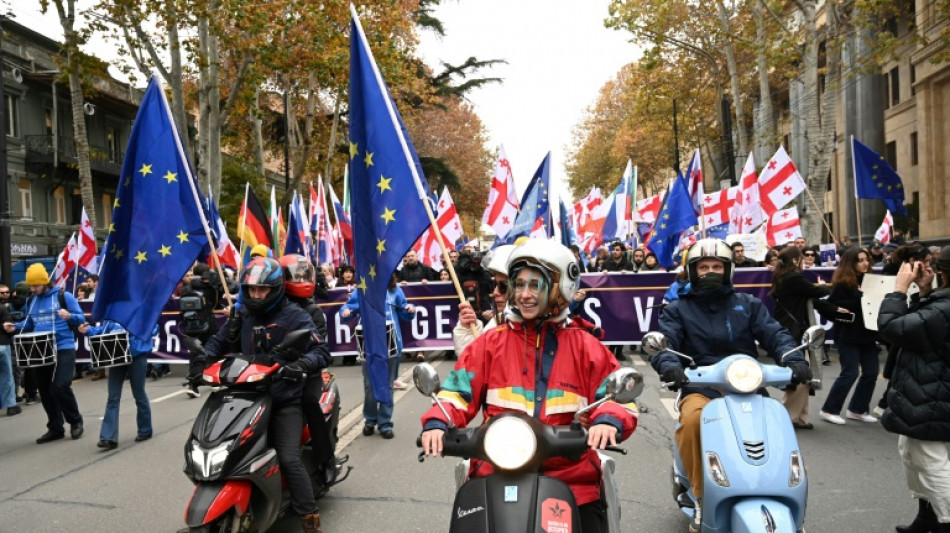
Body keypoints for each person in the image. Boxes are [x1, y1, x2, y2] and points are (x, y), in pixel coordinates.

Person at [421, 239, 638, 533]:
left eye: (535, 285)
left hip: (571, 479)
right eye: (519, 284)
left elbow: (615, 395)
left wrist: (608, 420)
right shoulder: (490, 342)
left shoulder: (586, 346)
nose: (524, 294)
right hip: (496, 470)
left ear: (560, 288)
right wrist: (437, 422)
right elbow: (456, 391)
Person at [650, 239, 809, 533]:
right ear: (693, 271)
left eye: (716, 266)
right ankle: (701, 496)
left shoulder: (748, 305)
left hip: (748, 386)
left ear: (728, 270)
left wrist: (794, 358)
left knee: (777, 423)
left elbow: (776, 334)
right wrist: (670, 365)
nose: (710, 271)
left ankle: (784, 490)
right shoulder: (678, 309)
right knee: (693, 420)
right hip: (701, 386)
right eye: (703, 267)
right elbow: (666, 342)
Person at [198, 256, 329, 533]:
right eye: (252, 290)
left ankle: (310, 519)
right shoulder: (243, 313)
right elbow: (219, 341)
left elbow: (321, 351)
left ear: (276, 289)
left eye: (263, 290)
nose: (256, 295)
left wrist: (299, 365)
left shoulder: (295, 316)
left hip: (283, 399)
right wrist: (201, 360)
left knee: (288, 458)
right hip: (244, 396)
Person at [878, 248, 950, 533]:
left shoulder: (944, 308)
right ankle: (927, 518)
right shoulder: (941, 304)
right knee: (913, 453)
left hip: (933, 393)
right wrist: (924, 292)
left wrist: (898, 290)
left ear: (943, 271)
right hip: (930, 390)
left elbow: (894, 328)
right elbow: (927, 326)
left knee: (930, 462)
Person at [278, 254, 343, 493]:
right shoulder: (272, 305)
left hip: (307, 372)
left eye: (305, 276)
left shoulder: (312, 310)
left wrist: (300, 363)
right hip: (274, 372)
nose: (301, 280)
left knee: (309, 403)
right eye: (296, 276)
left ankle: (326, 461)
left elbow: (318, 345)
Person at [4, 263, 88, 443]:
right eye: (31, 286)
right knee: (45, 390)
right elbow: (29, 324)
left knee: (60, 386)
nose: (33, 289)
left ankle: (75, 421)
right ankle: (55, 427)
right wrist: (15, 327)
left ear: (45, 282)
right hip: (42, 350)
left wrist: (69, 316)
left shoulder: (63, 296)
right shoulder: (31, 301)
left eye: (36, 285)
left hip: (63, 346)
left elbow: (81, 317)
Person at [339, 273, 416, 437]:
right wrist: (345, 312)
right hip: (369, 344)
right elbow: (348, 308)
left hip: (391, 344)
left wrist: (410, 309)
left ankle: (385, 423)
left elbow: (404, 311)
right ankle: (370, 420)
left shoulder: (395, 290)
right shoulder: (362, 290)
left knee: (387, 385)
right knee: (369, 385)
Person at [770, 246, 833, 430]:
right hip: (793, 331)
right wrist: (823, 285)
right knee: (800, 374)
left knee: (804, 376)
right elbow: (818, 292)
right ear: (795, 260)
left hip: (789, 328)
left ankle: (799, 417)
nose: (805, 261)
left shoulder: (783, 276)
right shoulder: (793, 278)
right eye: (802, 257)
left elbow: (811, 297)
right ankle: (787, 416)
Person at [819, 247, 881, 425]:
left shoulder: (871, 281)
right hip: (848, 334)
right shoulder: (843, 284)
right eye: (860, 260)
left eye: (866, 259)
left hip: (868, 334)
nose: (865, 263)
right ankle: (829, 409)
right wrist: (858, 300)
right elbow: (831, 306)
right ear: (851, 263)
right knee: (850, 373)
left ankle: (857, 409)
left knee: (871, 372)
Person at [78, 321, 156, 449]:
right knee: (113, 397)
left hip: (136, 356)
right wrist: (88, 330)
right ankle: (108, 438)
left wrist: (137, 330)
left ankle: (145, 430)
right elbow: (104, 330)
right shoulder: (113, 313)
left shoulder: (141, 312)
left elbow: (153, 328)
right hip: (117, 356)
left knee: (139, 394)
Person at [452, 245, 515, 353]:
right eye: (495, 285)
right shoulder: (495, 325)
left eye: (503, 287)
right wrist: (468, 333)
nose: (495, 293)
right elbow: (471, 360)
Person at [0, 291, 18, 416]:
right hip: (2, 344)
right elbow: (10, 327)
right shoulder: (2, 308)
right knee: (6, 375)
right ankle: (11, 405)